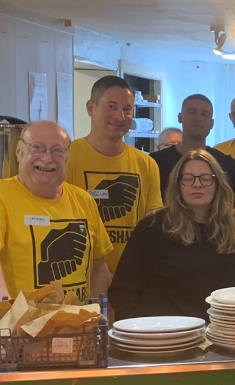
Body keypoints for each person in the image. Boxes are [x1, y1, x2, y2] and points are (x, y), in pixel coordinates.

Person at [0, 120, 112, 302]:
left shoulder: (83, 200)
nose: (47, 158)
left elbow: (99, 268)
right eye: (37, 148)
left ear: (67, 158)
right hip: (23, 326)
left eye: (57, 150)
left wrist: (100, 318)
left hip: (77, 327)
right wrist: (8, 315)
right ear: (19, 152)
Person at [109, 150, 235, 320]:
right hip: (166, 337)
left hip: (221, 334)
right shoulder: (152, 227)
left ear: (217, 183)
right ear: (177, 184)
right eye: (188, 178)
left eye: (206, 178)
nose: (197, 184)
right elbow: (123, 292)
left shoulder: (233, 228)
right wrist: (148, 333)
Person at [65, 75, 163, 274]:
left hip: (131, 278)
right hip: (80, 277)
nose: (120, 116)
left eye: (127, 109)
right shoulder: (66, 157)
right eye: (111, 106)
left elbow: (151, 224)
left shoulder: (146, 164)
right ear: (91, 108)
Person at [150, 94, 235, 202]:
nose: (198, 118)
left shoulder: (228, 166)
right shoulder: (155, 163)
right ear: (180, 117)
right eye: (192, 112)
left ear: (212, 123)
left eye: (204, 114)